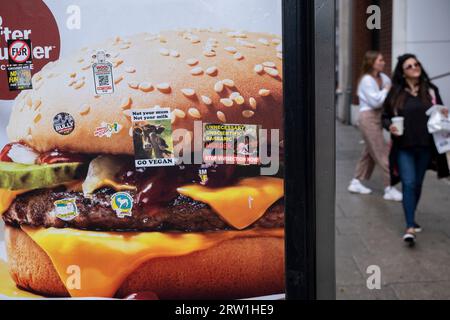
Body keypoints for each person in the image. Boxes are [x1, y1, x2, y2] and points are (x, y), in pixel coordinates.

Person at [382, 53, 449, 245]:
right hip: (404, 147)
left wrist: (443, 112)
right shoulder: (395, 92)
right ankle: (410, 227)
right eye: (409, 66)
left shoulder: (431, 90)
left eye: (417, 64)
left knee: (417, 184)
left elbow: (440, 112)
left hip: (426, 146)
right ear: (403, 73)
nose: (415, 68)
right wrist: (390, 127)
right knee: (409, 183)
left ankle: (411, 215)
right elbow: (385, 117)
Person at [348, 51, 402, 201]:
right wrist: (386, 89)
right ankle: (389, 187)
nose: (383, 62)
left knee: (370, 152)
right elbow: (375, 101)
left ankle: (356, 181)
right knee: (382, 152)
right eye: (380, 60)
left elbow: (389, 96)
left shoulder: (383, 78)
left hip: (377, 117)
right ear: (372, 62)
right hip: (368, 118)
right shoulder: (366, 80)